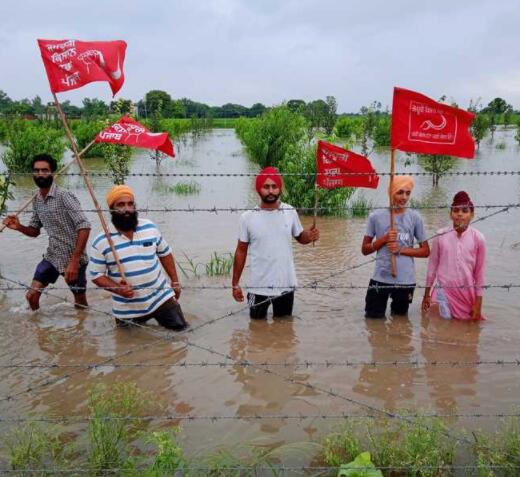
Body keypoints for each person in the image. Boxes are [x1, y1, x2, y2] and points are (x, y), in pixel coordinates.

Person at [89, 185, 188, 330]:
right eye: (121, 205)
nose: (127, 209)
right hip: (127, 309)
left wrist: (175, 281)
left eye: (130, 204)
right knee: (131, 348)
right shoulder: (101, 241)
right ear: (111, 209)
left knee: (181, 335)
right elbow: (96, 275)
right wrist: (118, 289)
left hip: (161, 298)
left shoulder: (149, 227)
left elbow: (165, 253)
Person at [2, 154, 91, 310]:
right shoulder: (36, 199)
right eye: (36, 170)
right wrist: (19, 227)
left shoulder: (64, 196)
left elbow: (84, 226)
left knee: (80, 303)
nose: (40, 174)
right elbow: (35, 231)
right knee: (31, 295)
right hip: (52, 256)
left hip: (73, 258)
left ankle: (81, 330)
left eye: (45, 170)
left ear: (52, 173)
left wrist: (75, 261)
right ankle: (39, 331)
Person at [231, 166, 320, 319]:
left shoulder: (289, 211)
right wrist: (235, 284)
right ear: (259, 189)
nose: (271, 191)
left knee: (284, 331)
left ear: (280, 189)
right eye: (266, 187)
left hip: (285, 285)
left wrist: (310, 235)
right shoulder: (247, 217)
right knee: (256, 329)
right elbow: (241, 251)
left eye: (274, 186)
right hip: (258, 287)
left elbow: (300, 237)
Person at [361, 175, 429, 319]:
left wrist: (400, 250)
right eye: (400, 192)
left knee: (400, 322)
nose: (404, 197)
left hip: (405, 280)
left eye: (408, 193)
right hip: (381, 277)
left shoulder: (415, 217)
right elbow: (365, 250)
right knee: (373, 321)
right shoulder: (376, 216)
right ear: (391, 192)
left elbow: (425, 251)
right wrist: (383, 240)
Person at [422, 191, 486, 320]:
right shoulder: (440, 236)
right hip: (443, 291)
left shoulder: (478, 238)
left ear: (472, 214)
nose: (460, 214)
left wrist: (478, 303)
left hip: (466, 292)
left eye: (464, 210)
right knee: (444, 325)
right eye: (456, 210)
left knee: (468, 327)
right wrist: (426, 294)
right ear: (451, 214)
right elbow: (432, 268)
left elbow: (479, 273)